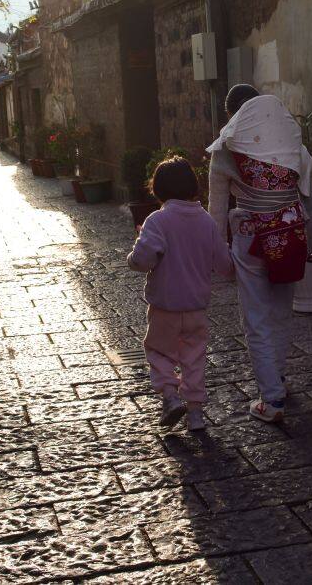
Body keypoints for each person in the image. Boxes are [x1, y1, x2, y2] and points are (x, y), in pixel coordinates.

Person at [207, 84, 312, 423]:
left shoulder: (226, 149)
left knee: (256, 318)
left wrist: (217, 256)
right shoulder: (293, 145)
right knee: (282, 311)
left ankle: (271, 400)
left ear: (234, 115)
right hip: (289, 235)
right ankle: (278, 380)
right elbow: (310, 197)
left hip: (250, 239)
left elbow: (216, 210)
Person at [127, 157, 234, 431]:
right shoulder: (207, 221)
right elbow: (225, 263)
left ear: (158, 190)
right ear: (192, 187)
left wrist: (134, 250)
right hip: (196, 307)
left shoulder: (158, 220)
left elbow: (142, 260)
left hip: (165, 307)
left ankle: (171, 397)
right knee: (194, 358)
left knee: (159, 352)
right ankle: (196, 415)